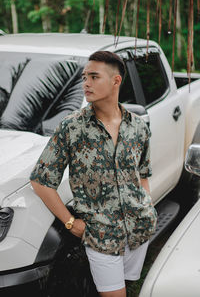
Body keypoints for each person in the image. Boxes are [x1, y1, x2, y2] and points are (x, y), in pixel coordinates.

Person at [30, 51, 157, 297]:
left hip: (139, 230)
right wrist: (70, 223)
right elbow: (41, 181)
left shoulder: (138, 126)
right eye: (84, 77)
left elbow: (143, 172)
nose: (85, 83)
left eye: (94, 76)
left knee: (128, 285)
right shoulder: (72, 127)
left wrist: (146, 206)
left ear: (115, 81)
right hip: (101, 236)